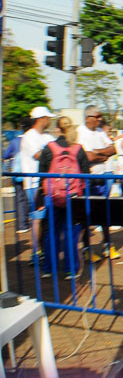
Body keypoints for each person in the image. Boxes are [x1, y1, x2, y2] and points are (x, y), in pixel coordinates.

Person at [38, 116, 90, 278]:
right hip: (74, 198)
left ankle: (49, 268)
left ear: (57, 129)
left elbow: (42, 176)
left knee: (51, 232)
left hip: (53, 197)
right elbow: (86, 175)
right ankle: (70, 269)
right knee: (71, 232)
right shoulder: (78, 149)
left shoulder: (48, 149)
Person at [76, 105, 118, 261]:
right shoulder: (80, 132)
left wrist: (97, 153)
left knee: (104, 212)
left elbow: (113, 149)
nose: (100, 119)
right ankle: (86, 248)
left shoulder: (101, 132)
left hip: (103, 176)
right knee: (88, 215)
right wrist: (102, 153)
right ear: (88, 118)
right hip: (88, 178)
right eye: (97, 116)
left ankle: (107, 244)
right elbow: (87, 157)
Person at [19, 107, 57, 249]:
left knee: (47, 218)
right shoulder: (29, 136)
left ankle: (46, 249)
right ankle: (37, 252)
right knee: (38, 218)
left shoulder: (47, 137)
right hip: (34, 183)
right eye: (48, 118)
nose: (49, 121)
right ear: (42, 119)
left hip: (47, 183)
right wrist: (52, 152)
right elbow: (38, 155)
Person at [4, 117, 33, 234]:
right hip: (29, 173)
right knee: (29, 199)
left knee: (19, 199)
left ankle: (22, 225)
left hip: (17, 173)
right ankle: (29, 221)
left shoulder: (15, 141)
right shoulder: (31, 140)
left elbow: (6, 155)